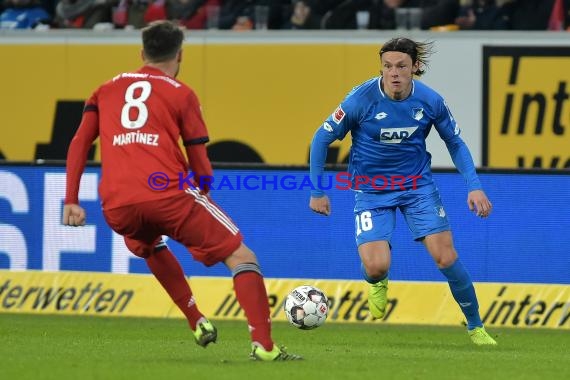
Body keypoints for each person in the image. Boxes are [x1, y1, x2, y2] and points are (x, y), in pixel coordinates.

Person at [62, 20, 301, 361]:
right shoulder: (181, 93)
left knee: (148, 244)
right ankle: (264, 347)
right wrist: (201, 197)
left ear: (142, 52)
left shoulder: (104, 90)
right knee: (243, 257)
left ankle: (197, 320)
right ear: (180, 56)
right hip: (168, 195)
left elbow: (79, 143)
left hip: (117, 204)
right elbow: (200, 163)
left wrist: (71, 199)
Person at [309, 37, 497, 346]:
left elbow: (455, 142)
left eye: (400, 66)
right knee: (376, 265)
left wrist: (474, 186)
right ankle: (377, 281)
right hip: (372, 190)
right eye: (387, 66)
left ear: (415, 68)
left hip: (417, 187)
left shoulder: (430, 100)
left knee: (445, 257)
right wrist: (317, 191)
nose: (393, 73)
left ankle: (476, 327)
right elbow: (321, 138)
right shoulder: (361, 99)